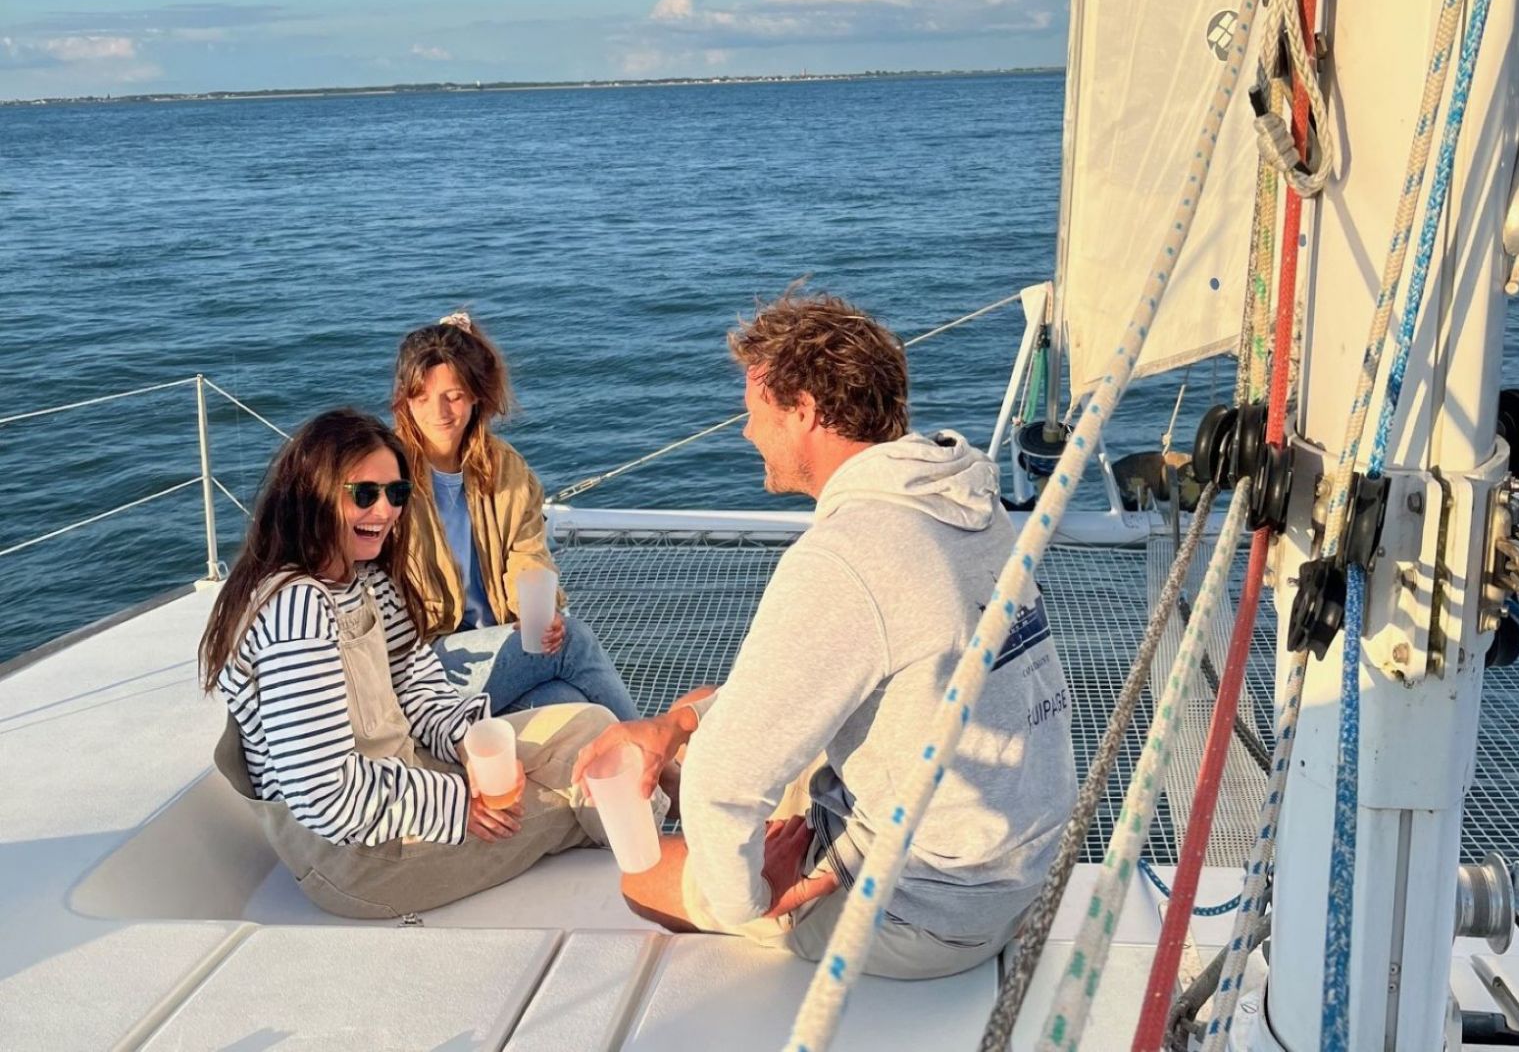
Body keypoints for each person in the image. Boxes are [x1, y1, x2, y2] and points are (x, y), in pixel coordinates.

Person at [572, 290, 1077, 980]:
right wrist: (680, 724)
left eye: (754, 414)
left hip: (922, 907)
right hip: (1015, 865)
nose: (746, 434)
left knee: (642, 879)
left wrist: (753, 898)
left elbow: (722, 784)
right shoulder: (965, 500)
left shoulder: (848, 555)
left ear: (803, 411)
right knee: (693, 712)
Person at [199, 408, 637, 919]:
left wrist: (471, 750)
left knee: (592, 726)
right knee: (592, 794)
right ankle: (669, 867)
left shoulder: (365, 581)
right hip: (359, 858)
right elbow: (323, 794)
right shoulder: (297, 609)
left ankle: (657, 809)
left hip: (403, 781)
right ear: (312, 493)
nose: (385, 510)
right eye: (364, 493)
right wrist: (458, 803)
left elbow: (418, 687)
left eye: (397, 493)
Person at [391, 312, 638, 721]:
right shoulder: (389, 476)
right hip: (430, 664)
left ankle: (641, 752)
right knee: (575, 642)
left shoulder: (504, 467)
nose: (439, 412)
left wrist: (536, 611)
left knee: (572, 705)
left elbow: (528, 552)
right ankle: (659, 749)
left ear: (475, 394)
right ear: (405, 400)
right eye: (422, 398)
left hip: (500, 642)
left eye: (453, 395)